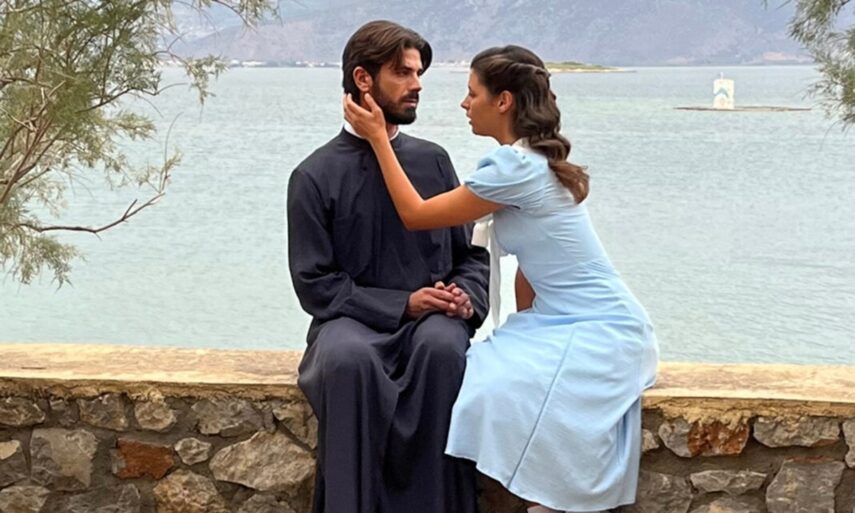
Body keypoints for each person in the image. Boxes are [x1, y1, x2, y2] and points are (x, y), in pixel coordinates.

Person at [344, 45, 660, 513]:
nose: (464, 103)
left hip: (603, 329)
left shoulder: (515, 169)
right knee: (489, 371)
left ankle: (549, 503)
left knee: (492, 386)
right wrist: (524, 330)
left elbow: (416, 215)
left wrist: (378, 140)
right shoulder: (526, 161)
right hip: (564, 320)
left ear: (504, 101)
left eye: (472, 93)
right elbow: (531, 267)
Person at [287, 20, 490, 513]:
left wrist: (464, 298)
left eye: (418, 73)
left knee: (443, 348)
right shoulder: (313, 176)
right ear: (363, 79)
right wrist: (403, 304)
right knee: (347, 360)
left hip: (431, 324)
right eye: (403, 73)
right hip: (350, 322)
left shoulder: (434, 162)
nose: (417, 84)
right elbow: (315, 284)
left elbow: (469, 256)